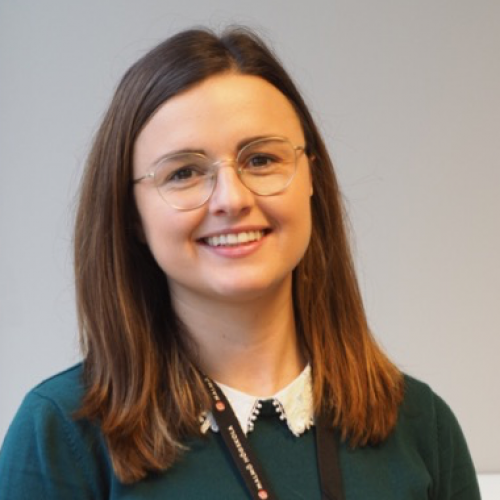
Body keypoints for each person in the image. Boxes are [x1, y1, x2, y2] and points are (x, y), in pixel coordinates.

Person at [0, 27, 481, 500]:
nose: (231, 199)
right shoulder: (61, 436)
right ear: (132, 214)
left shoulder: (423, 426)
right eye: (184, 172)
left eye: (261, 160)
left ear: (310, 178)